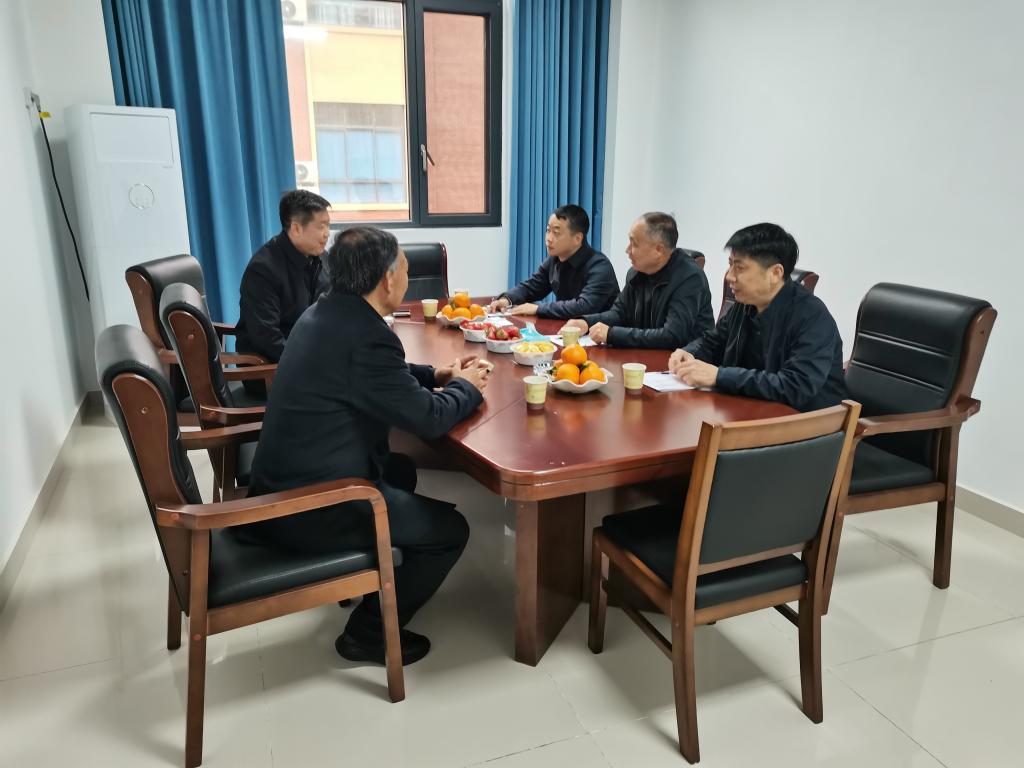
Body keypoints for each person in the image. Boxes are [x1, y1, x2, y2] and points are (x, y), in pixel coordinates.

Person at [239, 226, 490, 666]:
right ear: (388, 279)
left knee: (401, 470)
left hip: (281, 481)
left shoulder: (325, 312)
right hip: (310, 506)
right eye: (405, 270)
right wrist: (467, 387)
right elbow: (429, 419)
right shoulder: (365, 335)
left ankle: (380, 573)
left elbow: (378, 373)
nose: (407, 279)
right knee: (450, 532)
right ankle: (367, 635)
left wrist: (435, 376)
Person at [668, 222, 848, 411]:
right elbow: (712, 342)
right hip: (753, 409)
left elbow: (796, 386)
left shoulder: (812, 316)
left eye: (740, 268)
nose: (729, 276)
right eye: (730, 264)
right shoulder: (745, 304)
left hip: (806, 420)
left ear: (775, 273)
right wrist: (688, 353)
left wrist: (719, 376)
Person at [559, 212, 713, 348]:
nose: (627, 250)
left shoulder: (690, 278)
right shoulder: (636, 273)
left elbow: (672, 336)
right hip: (645, 356)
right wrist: (586, 322)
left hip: (683, 363)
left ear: (658, 250)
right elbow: (619, 313)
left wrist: (612, 334)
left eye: (634, 244)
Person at [235, 190, 332, 366]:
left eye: (328, 225)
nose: (327, 233)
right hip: (271, 367)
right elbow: (266, 337)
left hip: (312, 356)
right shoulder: (263, 270)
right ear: (296, 228)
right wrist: (311, 362)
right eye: (321, 227)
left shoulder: (323, 259)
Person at [487, 205, 619, 318]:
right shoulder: (555, 259)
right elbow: (532, 286)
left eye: (556, 233)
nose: (548, 238)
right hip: (567, 331)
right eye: (548, 230)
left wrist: (538, 309)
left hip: (600, 336)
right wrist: (507, 299)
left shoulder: (600, 267)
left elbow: (584, 306)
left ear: (577, 238)